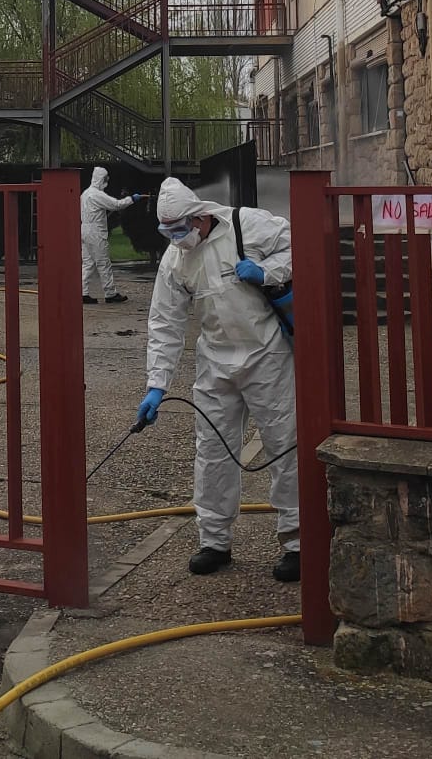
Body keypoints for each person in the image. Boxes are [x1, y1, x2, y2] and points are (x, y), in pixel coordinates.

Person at [135, 176, 301, 581]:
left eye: (179, 230)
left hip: (267, 356)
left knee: (284, 446)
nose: (175, 239)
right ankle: (214, 541)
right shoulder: (176, 258)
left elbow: (305, 245)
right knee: (212, 451)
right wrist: (157, 384)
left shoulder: (246, 225)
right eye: (167, 232)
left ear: (200, 217)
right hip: (215, 362)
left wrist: (267, 270)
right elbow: (165, 322)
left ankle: (298, 542)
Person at [80, 166, 138, 304]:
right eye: (106, 179)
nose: (107, 181)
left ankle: (83, 292)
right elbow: (116, 204)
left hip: (84, 229)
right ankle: (110, 293)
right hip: (96, 232)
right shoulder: (97, 195)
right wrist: (131, 199)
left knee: (87, 263)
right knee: (103, 263)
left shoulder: (85, 194)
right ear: (101, 179)